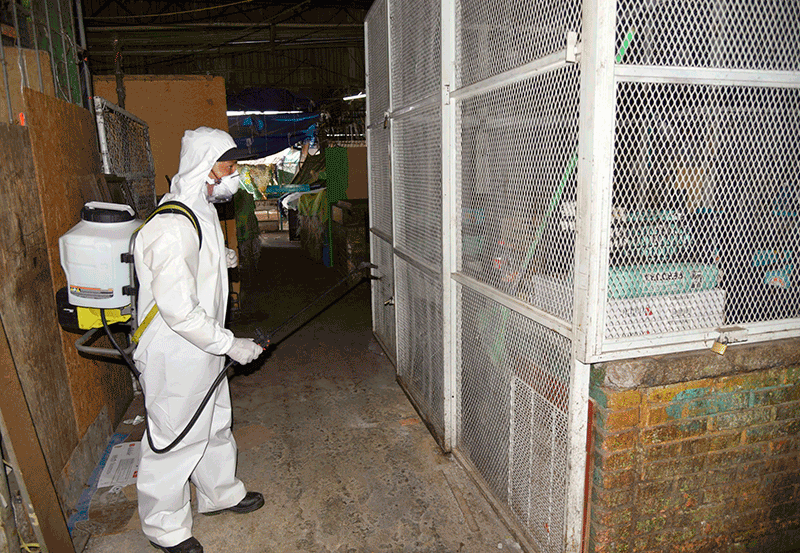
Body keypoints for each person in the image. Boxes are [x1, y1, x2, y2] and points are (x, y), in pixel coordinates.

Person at [132, 127, 265, 553]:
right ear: (205, 169)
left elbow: (193, 262)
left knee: (214, 422)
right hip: (175, 350)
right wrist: (231, 345)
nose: (235, 175)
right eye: (229, 167)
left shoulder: (200, 208)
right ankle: (165, 527)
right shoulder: (172, 226)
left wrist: (218, 260)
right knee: (176, 437)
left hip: (201, 345)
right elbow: (179, 312)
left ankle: (219, 493)